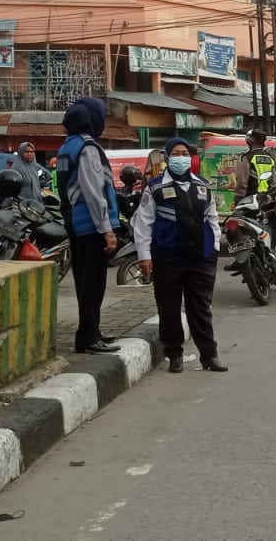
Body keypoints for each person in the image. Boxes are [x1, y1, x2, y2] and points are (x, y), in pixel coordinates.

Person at [132, 138, 225, 373]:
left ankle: (209, 356)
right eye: (176, 153)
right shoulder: (155, 187)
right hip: (167, 256)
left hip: (199, 257)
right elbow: (143, 223)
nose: (181, 157)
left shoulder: (203, 185)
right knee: (169, 309)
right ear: (167, 157)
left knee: (201, 308)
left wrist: (213, 248)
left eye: (185, 153)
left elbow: (212, 218)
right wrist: (145, 256)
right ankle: (174, 355)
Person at [56, 97, 120, 355]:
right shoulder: (88, 148)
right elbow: (94, 192)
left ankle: (91, 332)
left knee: (85, 283)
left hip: (75, 225)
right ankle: (88, 337)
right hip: (92, 227)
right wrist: (107, 229)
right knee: (93, 285)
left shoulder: (66, 147)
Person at [232, 129, 276, 199]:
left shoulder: (247, 157)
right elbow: (273, 182)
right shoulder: (269, 157)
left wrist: (239, 198)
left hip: (251, 199)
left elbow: (242, 182)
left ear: (251, 140)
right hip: (267, 198)